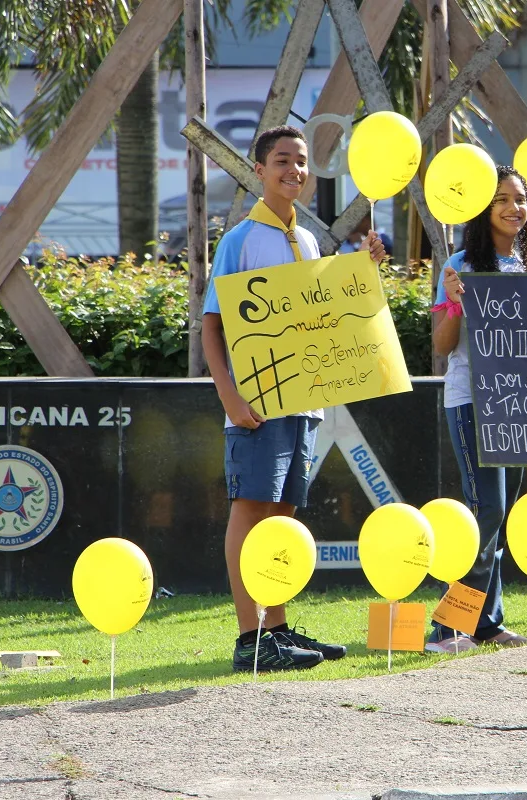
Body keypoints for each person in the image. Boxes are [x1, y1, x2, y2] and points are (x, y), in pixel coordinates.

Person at [202, 125, 387, 672]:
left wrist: (365, 270)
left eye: (302, 162)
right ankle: (248, 638)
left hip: (303, 401)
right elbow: (211, 326)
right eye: (282, 160)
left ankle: (276, 628)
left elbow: (322, 318)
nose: (295, 170)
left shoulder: (307, 241)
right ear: (259, 170)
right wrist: (229, 397)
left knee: (282, 515)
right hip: (256, 405)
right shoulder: (239, 239)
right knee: (250, 509)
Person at [428, 165, 527, 653]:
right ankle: (448, 628)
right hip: (472, 402)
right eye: (502, 199)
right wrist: (455, 303)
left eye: (520, 199)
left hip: (519, 406)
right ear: (482, 207)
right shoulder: (459, 265)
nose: (514, 207)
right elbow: (440, 346)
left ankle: (487, 622)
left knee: (498, 513)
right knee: (485, 509)